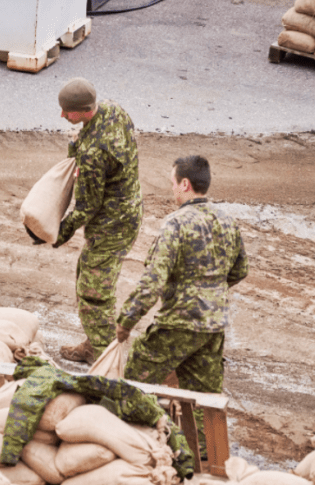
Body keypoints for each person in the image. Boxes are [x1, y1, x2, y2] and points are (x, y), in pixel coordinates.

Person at [116, 155, 248, 454]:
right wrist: (211, 291)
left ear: (185, 184)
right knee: (204, 395)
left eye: (173, 183)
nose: (172, 189)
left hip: (178, 323)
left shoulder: (175, 224)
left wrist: (126, 321)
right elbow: (241, 270)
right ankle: (206, 455)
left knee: (137, 377)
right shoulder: (227, 220)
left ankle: (139, 443)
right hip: (213, 326)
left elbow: (153, 281)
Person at [29, 77, 142, 364]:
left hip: (110, 225)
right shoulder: (113, 110)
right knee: (86, 275)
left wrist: (55, 234)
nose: (63, 116)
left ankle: (108, 361)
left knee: (94, 296)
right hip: (127, 210)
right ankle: (95, 345)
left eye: (68, 111)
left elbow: (86, 208)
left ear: (83, 110)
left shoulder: (94, 154)